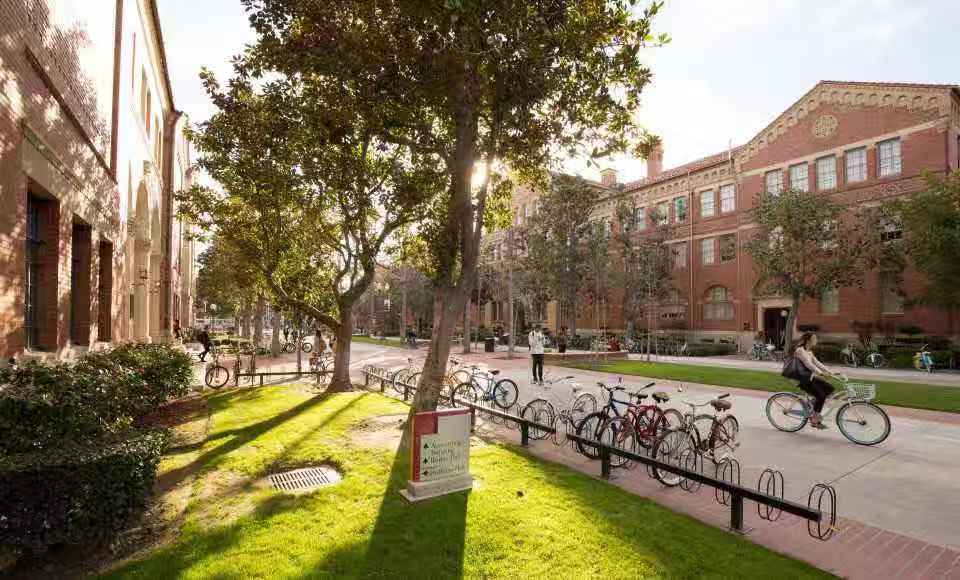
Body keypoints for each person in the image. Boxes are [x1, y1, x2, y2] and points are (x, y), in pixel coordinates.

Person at [793, 332, 842, 429]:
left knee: (829, 388)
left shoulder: (809, 352)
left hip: (809, 377)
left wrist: (831, 372)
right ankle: (814, 419)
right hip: (802, 379)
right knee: (821, 396)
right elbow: (809, 364)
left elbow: (817, 363)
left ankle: (811, 404)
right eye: (814, 339)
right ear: (808, 340)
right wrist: (821, 373)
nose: (816, 341)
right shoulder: (800, 350)